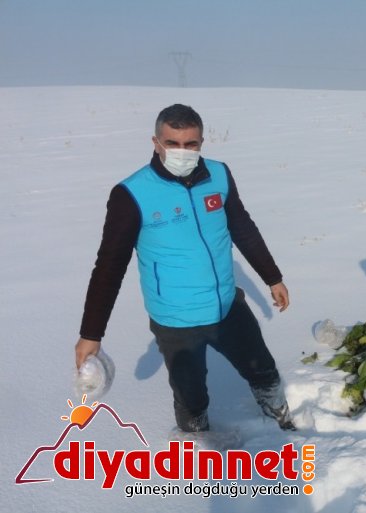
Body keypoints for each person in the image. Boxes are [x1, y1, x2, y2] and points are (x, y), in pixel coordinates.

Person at [75, 104, 295, 432]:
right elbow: (109, 266)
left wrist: (272, 277)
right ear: (156, 142)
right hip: (175, 320)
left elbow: (242, 227)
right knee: (191, 395)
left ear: (202, 142)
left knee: (263, 369)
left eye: (191, 144)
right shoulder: (132, 193)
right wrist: (91, 334)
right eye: (172, 143)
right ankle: (197, 438)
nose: (182, 151)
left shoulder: (219, 174)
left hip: (226, 304)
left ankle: (278, 415)